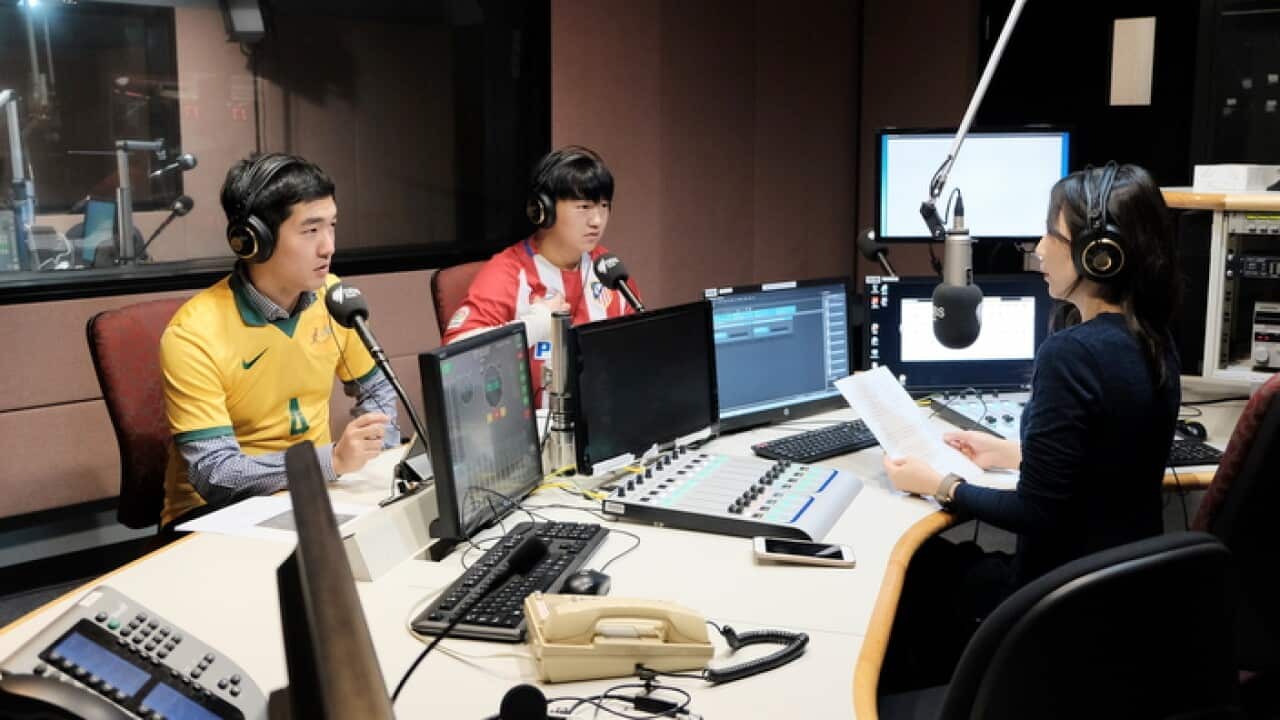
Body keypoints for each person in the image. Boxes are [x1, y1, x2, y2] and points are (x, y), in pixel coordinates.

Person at [879, 162, 1181, 689]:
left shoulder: (1071, 354)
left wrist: (941, 484)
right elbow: (1114, 462)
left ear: (1099, 255)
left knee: (911, 577)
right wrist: (1013, 454)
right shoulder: (1155, 340)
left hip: (1050, 608)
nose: (1038, 249)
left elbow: (1036, 513)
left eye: (1052, 233)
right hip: (1116, 600)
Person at [158, 153, 400, 530]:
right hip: (214, 516)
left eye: (332, 226)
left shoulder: (333, 299)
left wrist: (377, 451)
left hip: (318, 495)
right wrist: (332, 460)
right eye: (311, 231)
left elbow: (379, 388)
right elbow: (216, 473)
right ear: (254, 241)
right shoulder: (193, 335)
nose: (328, 247)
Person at [441, 146, 640, 397]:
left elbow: (638, 346)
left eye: (604, 206)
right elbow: (453, 358)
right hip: (532, 428)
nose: (597, 220)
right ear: (543, 210)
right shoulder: (508, 273)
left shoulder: (607, 268)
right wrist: (537, 323)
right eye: (584, 207)